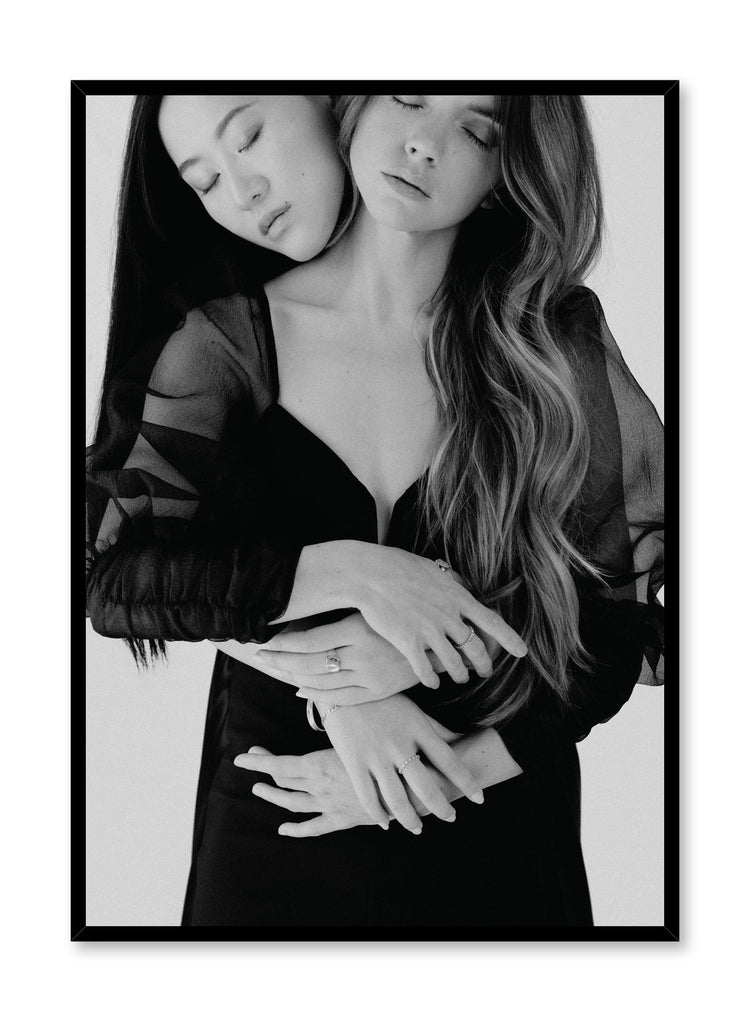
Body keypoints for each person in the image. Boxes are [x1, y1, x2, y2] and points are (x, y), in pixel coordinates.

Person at [87, 93, 664, 928]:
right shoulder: (225, 342)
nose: (425, 144)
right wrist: (357, 583)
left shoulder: (547, 341)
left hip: (498, 831)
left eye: (479, 129)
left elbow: (614, 631)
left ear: (510, 172)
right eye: (409, 98)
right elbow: (120, 576)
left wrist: (444, 771)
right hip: (278, 815)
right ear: (353, 107)